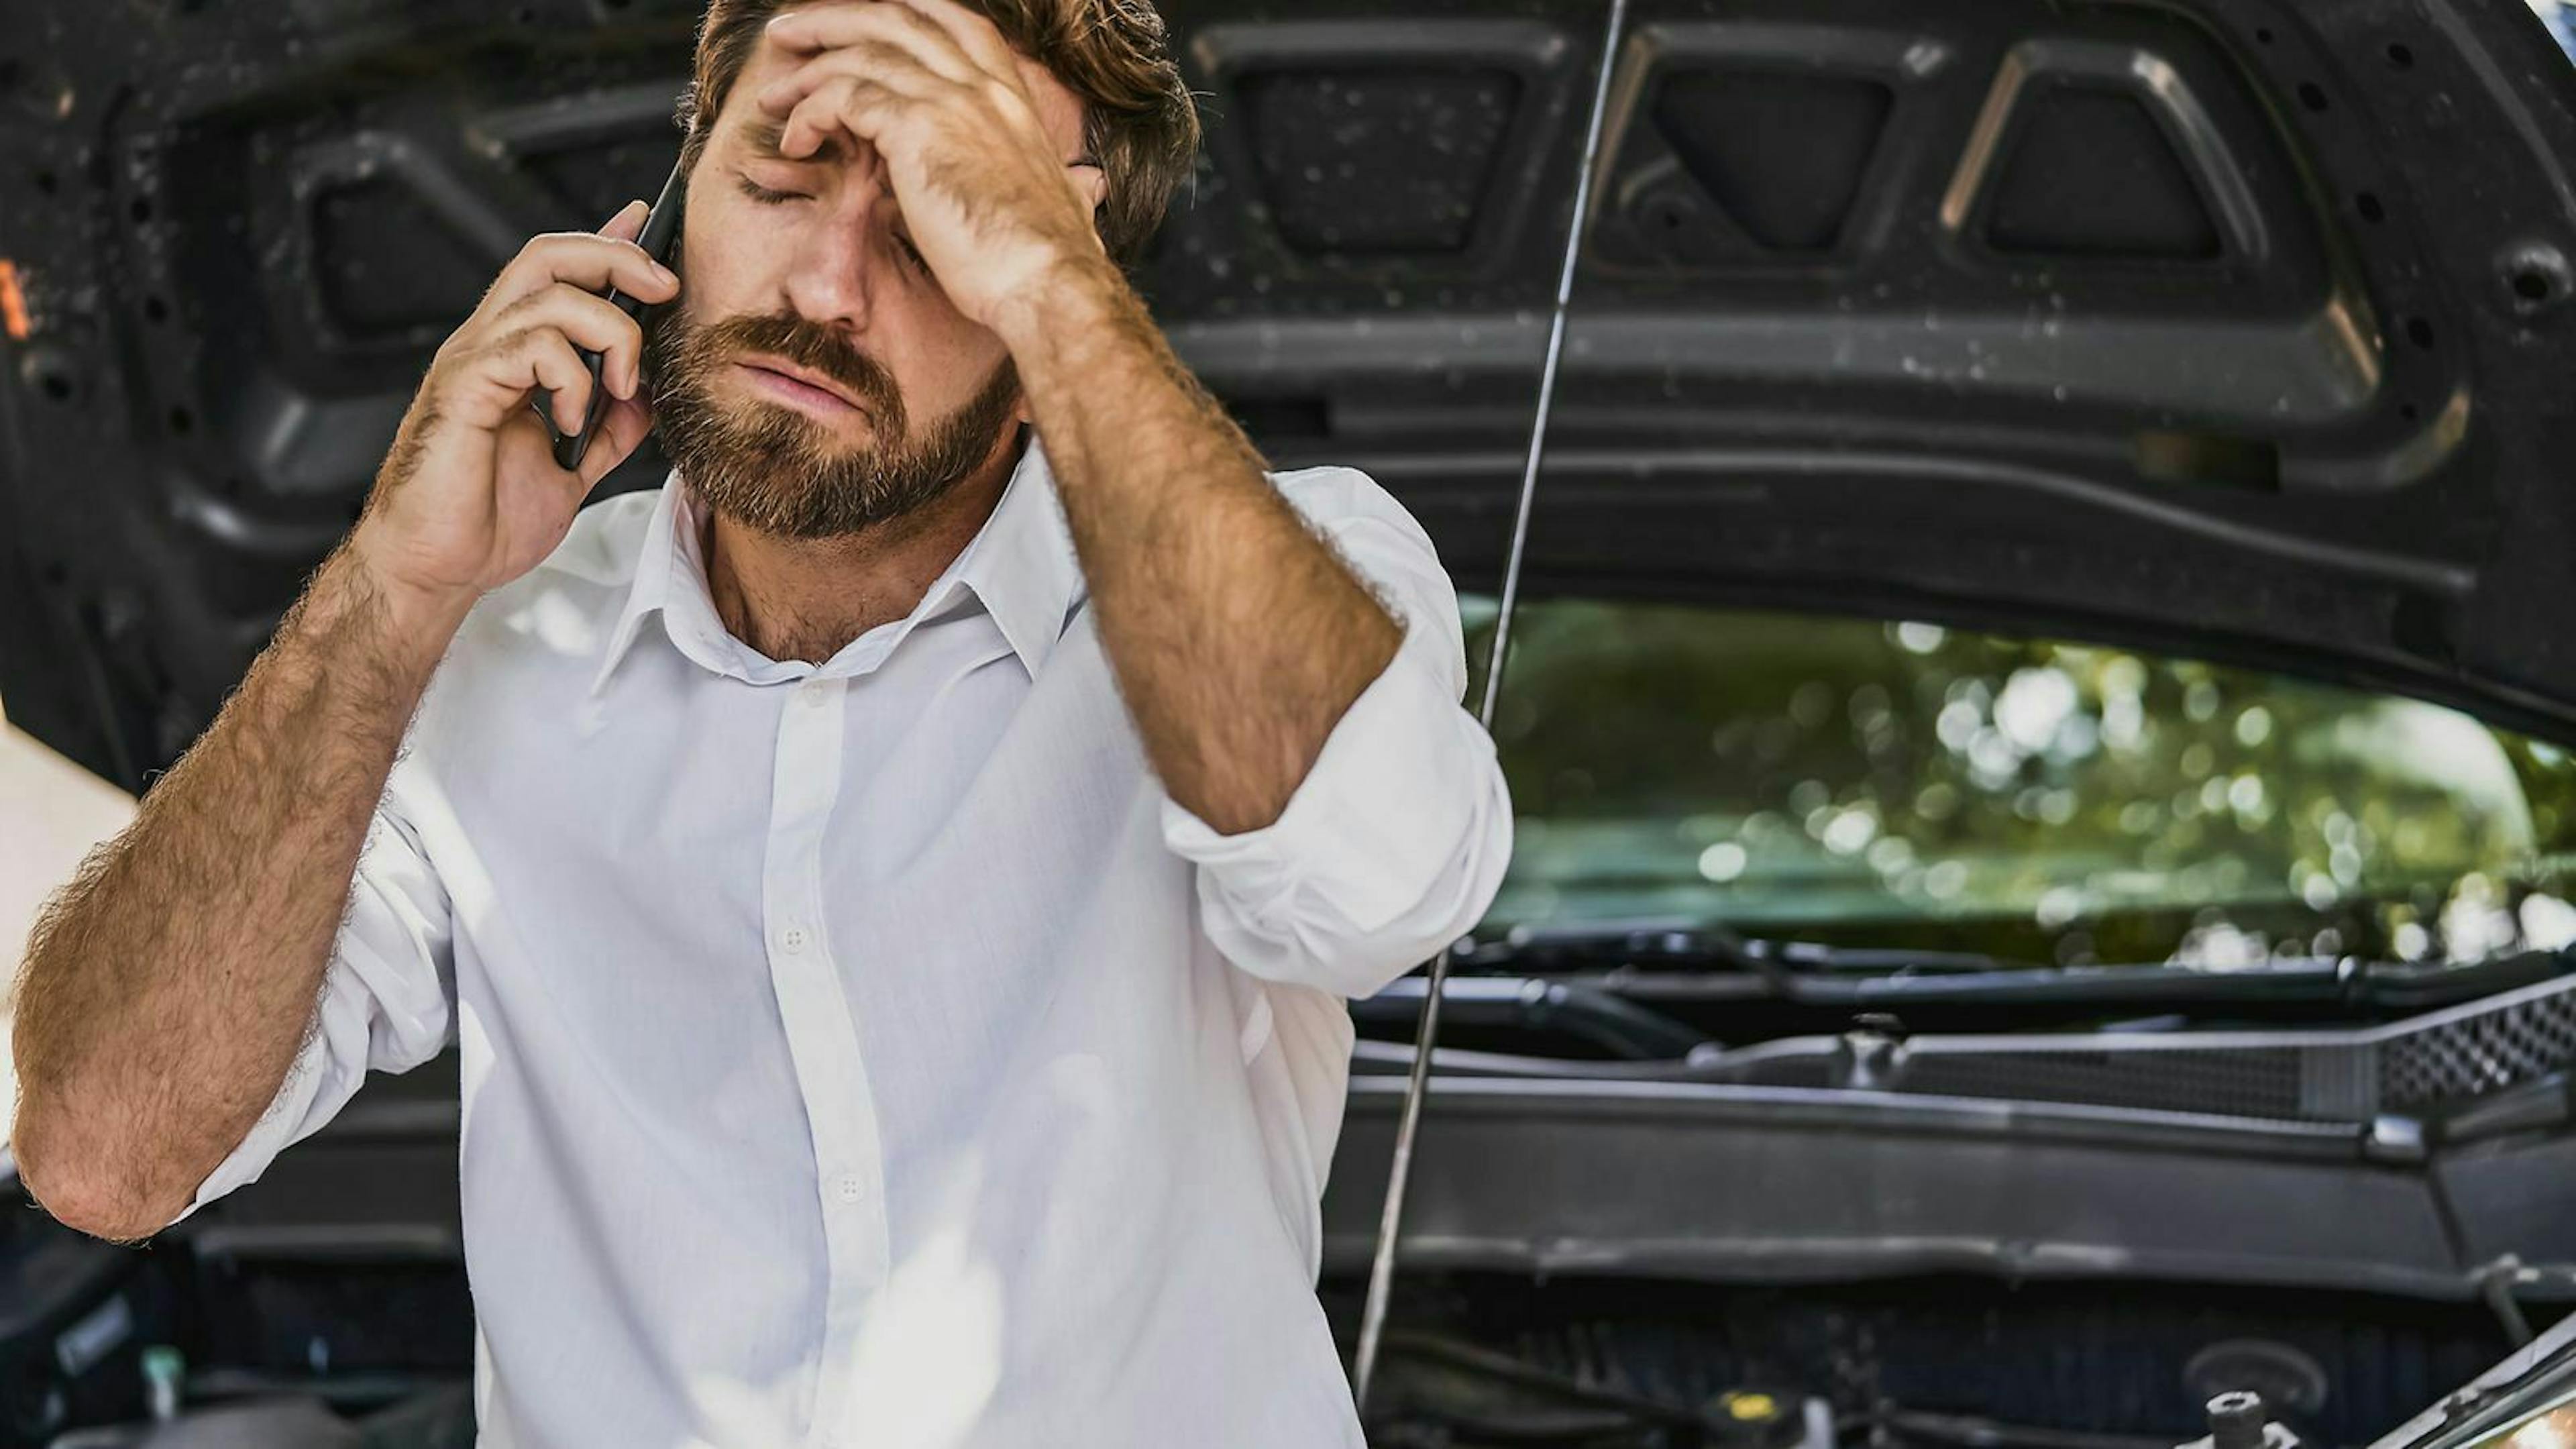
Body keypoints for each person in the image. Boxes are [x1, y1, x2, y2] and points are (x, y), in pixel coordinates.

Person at [6, 0, 1513, 1442]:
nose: (825, 287)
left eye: (939, 224)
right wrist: (392, 589)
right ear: (674, 194)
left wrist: (1055, 290)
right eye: (783, 179)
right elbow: (102, 1152)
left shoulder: (1311, 572)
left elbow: (1378, 887)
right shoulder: (484, 636)